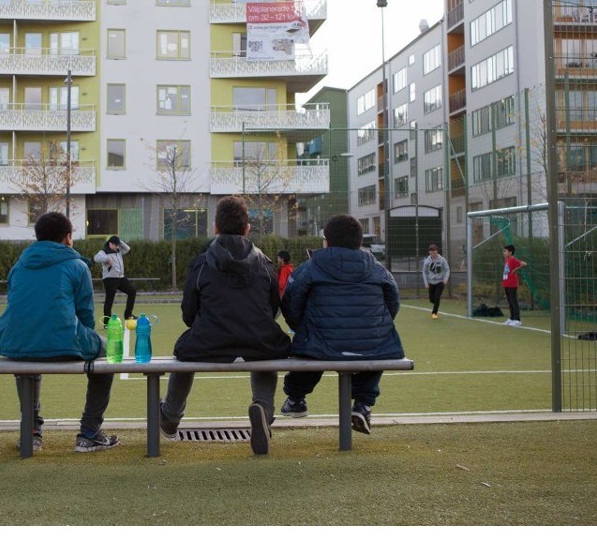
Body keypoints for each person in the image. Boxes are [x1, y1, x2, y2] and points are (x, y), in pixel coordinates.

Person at [159, 195, 291, 455]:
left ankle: (170, 416)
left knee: (184, 351)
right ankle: (263, 409)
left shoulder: (201, 263)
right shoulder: (265, 265)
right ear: (247, 229)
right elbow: (273, 307)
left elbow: (188, 312)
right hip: (259, 339)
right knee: (266, 346)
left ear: (215, 228)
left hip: (210, 340)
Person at [0, 211, 120, 453]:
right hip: (64, 340)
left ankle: (31, 430)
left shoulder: (19, 266)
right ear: (67, 238)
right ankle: (89, 432)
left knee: (28, 349)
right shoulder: (77, 266)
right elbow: (86, 318)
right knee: (108, 351)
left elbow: (17, 307)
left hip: (19, 342)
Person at [279, 214, 405, 435]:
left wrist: (303, 328)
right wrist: (373, 327)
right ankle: (363, 404)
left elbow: (291, 301)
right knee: (378, 348)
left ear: (326, 241)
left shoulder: (312, 266)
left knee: (311, 349)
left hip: (321, 344)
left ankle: (296, 398)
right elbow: (393, 300)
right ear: (359, 242)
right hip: (371, 344)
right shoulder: (377, 267)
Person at [94, 235, 136, 322]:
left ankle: (128, 315)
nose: (117, 246)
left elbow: (127, 248)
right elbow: (96, 258)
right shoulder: (104, 251)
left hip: (120, 278)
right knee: (109, 299)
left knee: (132, 291)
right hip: (109, 279)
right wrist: (107, 259)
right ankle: (107, 322)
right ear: (110, 243)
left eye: (118, 245)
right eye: (115, 245)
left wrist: (119, 241)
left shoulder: (119, 250)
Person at [422, 243, 450, 319]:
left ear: (437, 251)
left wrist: (445, 279)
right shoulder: (427, 261)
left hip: (440, 282)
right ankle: (436, 303)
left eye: (434, 251)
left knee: (437, 297)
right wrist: (426, 282)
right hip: (430, 282)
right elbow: (424, 271)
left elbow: (447, 269)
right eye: (431, 251)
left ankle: (434, 313)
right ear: (429, 252)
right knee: (432, 299)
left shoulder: (442, 260)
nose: (432, 252)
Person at [502, 244, 528, 326]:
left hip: (512, 284)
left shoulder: (513, 259)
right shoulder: (507, 260)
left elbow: (524, 263)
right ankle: (512, 318)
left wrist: (516, 269)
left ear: (510, 252)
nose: (504, 253)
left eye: (505, 251)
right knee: (510, 301)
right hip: (506, 283)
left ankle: (517, 319)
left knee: (513, 301)